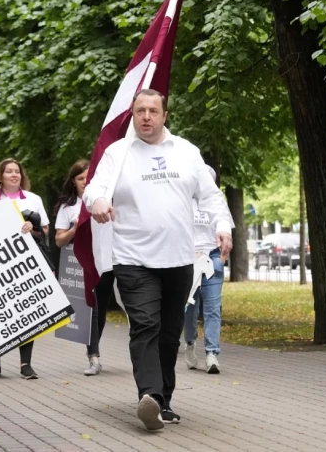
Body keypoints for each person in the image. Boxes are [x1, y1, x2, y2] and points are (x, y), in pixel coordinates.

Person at [83, 89, 234, 430]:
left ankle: (163, 400)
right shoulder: (118, 153)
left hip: (179, 258)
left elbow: (210, 196)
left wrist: (222, 226)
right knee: (145, 326)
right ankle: (148, 396)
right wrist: (97, 202)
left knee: (168, 334)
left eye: (153, 110)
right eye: (140, 111)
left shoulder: (186, 152)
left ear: (165, 115)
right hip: (133, 257)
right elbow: (94, 188)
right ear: (133, 115)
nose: (146, 116)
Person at [0, 158, 48, 380]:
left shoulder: (34, 199)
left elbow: (44, 229)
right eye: (9, 172)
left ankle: (26, 364)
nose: (14, 175)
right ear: (1, 176)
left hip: (26, 263)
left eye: (17, 171)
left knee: (27, 311)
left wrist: (32, 228)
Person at [54, 159, 115, 376]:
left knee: (101, 307)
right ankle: (94, 357)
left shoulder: (105, 201)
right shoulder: (67, 207)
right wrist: (74, 229)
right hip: (80, 263)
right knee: (92, 308)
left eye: (88, 178)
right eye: (80, 178)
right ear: (73, 181)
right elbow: (59, 240)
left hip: (105, 261)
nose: (84, 182)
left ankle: (94, 349)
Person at [184, 165, 225, 374]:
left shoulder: (218, 204)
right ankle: (190, 343)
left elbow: (224, 231)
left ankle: (212, 353)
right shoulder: (183, 203)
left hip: (212, 258)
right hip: (189, 260)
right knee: (190, 309)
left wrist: (222, 254)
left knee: (212, 308)